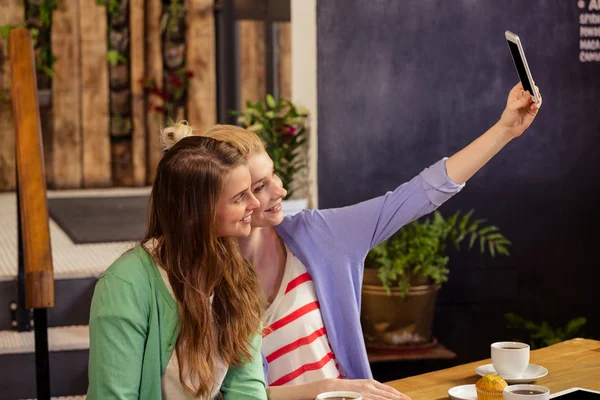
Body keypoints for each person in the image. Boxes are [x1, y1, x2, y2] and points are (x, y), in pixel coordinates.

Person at [162, 83, 542, 400]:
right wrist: (324, 387)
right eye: (259, 187)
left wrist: (505, 129)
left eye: (273, 174)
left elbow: (418, 195)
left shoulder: (319, 234)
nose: (279, 190)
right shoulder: (196, 279)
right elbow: (226, 394)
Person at [87, 135, 268, 399]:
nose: (255, 203)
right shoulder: (124, 286)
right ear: (197, 211)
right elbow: (113, 394)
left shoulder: (237, 273)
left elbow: (246, 387)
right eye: (240, 197)